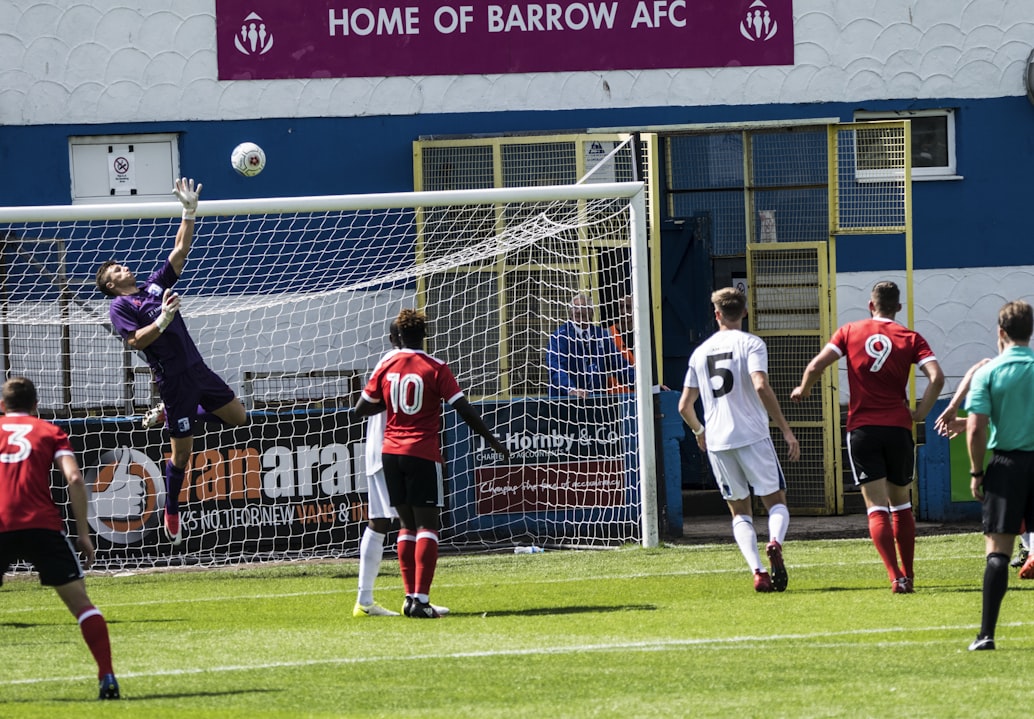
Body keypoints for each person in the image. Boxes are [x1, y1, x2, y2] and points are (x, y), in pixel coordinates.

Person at [95, 178, 248, 546]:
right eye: (114, 270)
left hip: (198, 369)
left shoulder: (152, 285)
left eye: (120, 265)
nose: (122, 268)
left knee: (240, 418)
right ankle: (172, 508)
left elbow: (179, 252)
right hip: (174, 382)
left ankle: (173, 415)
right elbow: (135, 341)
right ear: (111, 285)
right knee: (182, 456)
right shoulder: (120, 307)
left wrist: (189, 211)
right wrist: (162, 319)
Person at [353, 309, 509, 618]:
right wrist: (492, 441)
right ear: (425, 336)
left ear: (394, 337)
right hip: (421, 451)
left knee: (405, 526)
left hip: (389, 452)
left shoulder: (386, 364)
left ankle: (410, 599)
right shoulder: (435, 367)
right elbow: (463, 409)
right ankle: (419, 600)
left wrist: (390, 399)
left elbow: (360, 408)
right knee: (427, 525)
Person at [791, 281, 944, 593]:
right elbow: (937, 377)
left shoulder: (849, 331)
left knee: (876, 507)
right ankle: (910, 574)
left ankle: (895, 577)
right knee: (901, 505)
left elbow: (817, 365)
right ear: (898, 308)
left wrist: (803, 389)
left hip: (863, 429)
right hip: (899, 428)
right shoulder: (911, 337)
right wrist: (921, 412)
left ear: (870, 305)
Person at [0, 377, 119, 699]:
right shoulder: (50, 431)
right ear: (36, 406)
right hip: (43, 526)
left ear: (2, 406)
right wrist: (83, 533)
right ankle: (107, 675)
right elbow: (75, 478)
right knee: (82, 605)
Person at [679, 288, 800, 593]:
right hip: (752, 434)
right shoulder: (751, 343)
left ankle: (758, 571)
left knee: (739, 511)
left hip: (718, 440)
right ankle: (775, 542)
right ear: (745, 312)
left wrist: (699, 431)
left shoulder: (700, 352)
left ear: (716, 314)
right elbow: (760, 385)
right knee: (775, 500)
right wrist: (785, 429)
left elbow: (684, 406)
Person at [352, 320, 449, 618]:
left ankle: (394, 599)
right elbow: (366, 405)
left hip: (385, 450)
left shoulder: (392, 361)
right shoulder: (394, 362)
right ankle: (370, 601)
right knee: (390, 522)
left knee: (385, 521)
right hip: (392, 448)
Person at [964, 300, 1034, 651]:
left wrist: (977, 472)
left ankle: (986, 634)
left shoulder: (988, 373)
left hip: (1006, 465)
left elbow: (975, 429)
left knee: (998, 552)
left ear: (1000, 332)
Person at [547, 291, 634, 398]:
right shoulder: (559, 337)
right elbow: (556, 369)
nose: (578, 311)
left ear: (591, 312)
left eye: (583, 308)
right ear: (570, 313)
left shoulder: (602, 335)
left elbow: (620, 367)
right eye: (575, 308)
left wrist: (649, 385)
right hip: (567, 404)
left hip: (597, 403)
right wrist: (571, 389)